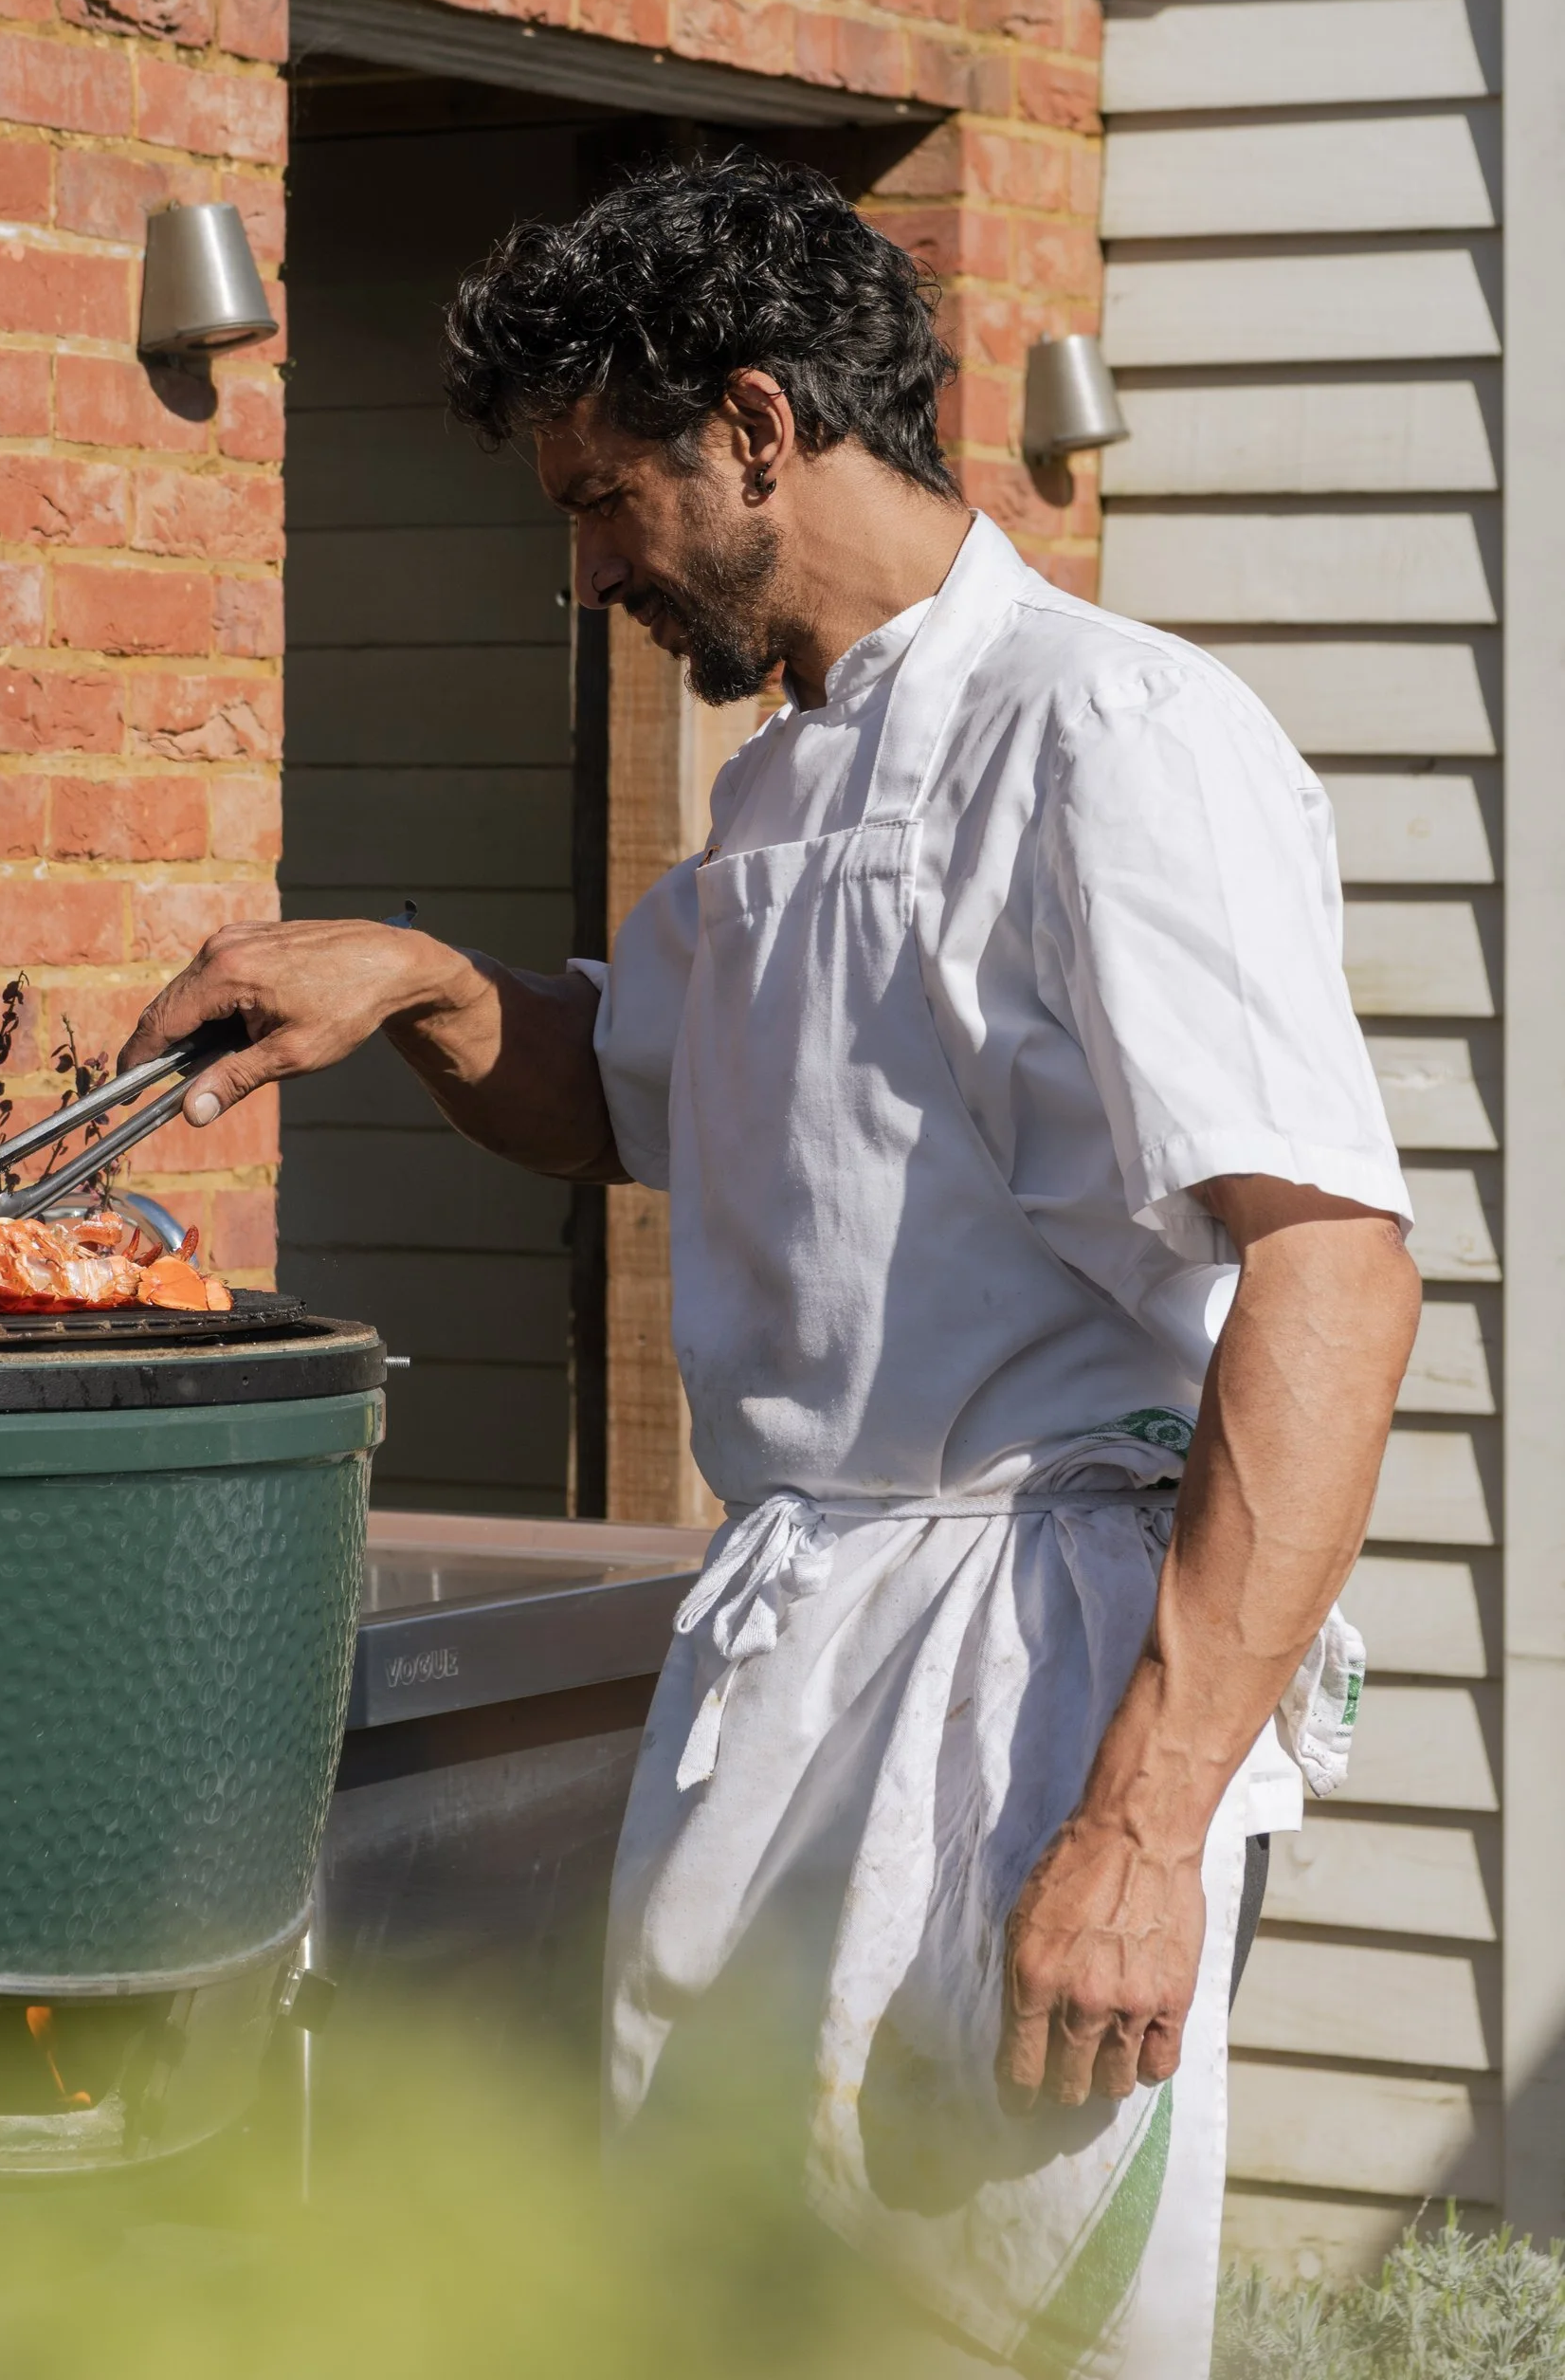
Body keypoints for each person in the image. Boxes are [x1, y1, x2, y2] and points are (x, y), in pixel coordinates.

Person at [120, 156, 1416, 2378]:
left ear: (750, 423)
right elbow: (625, 1095)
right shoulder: (767, 792)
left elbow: (1331, 1271)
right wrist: (425, 984)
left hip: (1027, 1682)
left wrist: (1138, 1817)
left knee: (966, 2327)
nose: (579, 563)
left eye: (600, 494)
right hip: (792, 1654)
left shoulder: (1105, 735)